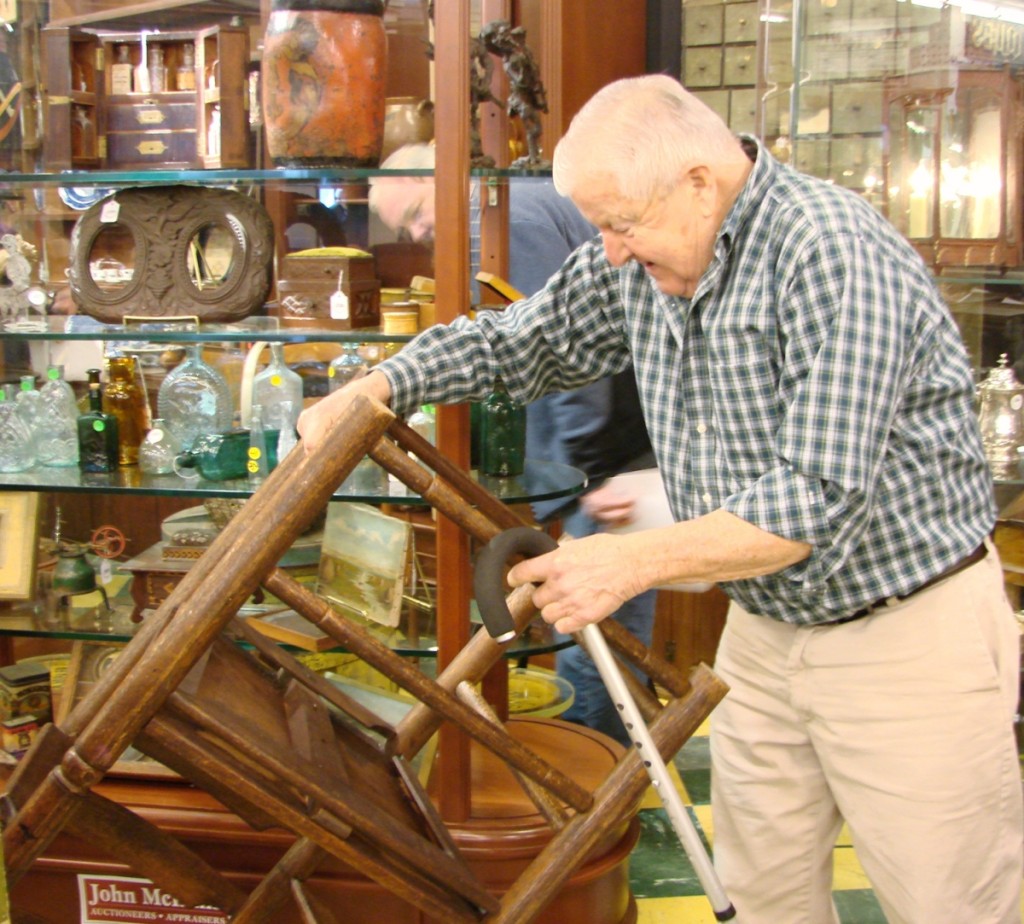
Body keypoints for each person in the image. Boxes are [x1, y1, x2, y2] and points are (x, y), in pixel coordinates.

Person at [301, 75, 1024, 923]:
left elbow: (813, 498)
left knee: (949, 903)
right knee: (765, 895)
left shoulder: (831, 251)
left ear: (698, 182)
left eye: (619, 223)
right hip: (767, 625)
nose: (607, 249)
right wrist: (384, 381)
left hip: (907, 635)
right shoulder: (650, 252)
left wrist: (627, 560)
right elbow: (519, 341)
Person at [368, 142, 659, 747]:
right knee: (600, 635)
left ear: (443, 178)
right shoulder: (511, 206)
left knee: (596, 641)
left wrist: (568, 489)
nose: (422, 233)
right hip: (618, 454)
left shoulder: (502, 223)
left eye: (419, 212)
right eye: (409, 228)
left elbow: (562, 363)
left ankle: (601, 788)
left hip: (611, 463)